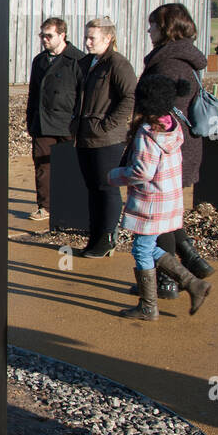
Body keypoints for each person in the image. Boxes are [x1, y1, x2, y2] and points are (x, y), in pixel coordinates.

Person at [108, 74, 211, 319]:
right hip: (169, 200)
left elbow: (142, 172)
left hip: (151, 202)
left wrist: (115, 175)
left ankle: (149, 307)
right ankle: (193, 283)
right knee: (145, 246)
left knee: (142, 250)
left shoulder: (148, 132)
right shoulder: (172, 124)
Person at [140, 3, 216, 292]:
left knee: (158, 217)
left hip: (166, 148)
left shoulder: (168, 62)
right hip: (184, 146)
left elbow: (157, 108)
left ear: (167, 27)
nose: (150, 30)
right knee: (169, 212)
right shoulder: (186, 58)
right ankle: (192, 260)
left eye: (154, 25)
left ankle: (168, 280)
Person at [71, 18, 136, 258]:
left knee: (106, 188)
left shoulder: (117, 64)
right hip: (84, 136)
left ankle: (108, 236)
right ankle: (95, 235)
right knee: (92, 189)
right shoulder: (87, 63)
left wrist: (107, 125)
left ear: (108, 39)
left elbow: (130, 97)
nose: (87, 42)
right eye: (86, 37)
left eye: (92, 38)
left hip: (107, 139)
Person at [26, 18, 84, 220]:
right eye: (42, 35)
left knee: (70, 166)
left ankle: (70, 207)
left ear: (62, 35)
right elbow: (33, 94)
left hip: (68, 123)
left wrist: (80, 124)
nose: (44, 39)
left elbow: (83, 95)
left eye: (49, 35)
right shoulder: (40, 60)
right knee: (43, 166)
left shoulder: (78, 60)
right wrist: (30, 120)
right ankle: (45, 206)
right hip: (43, 122)